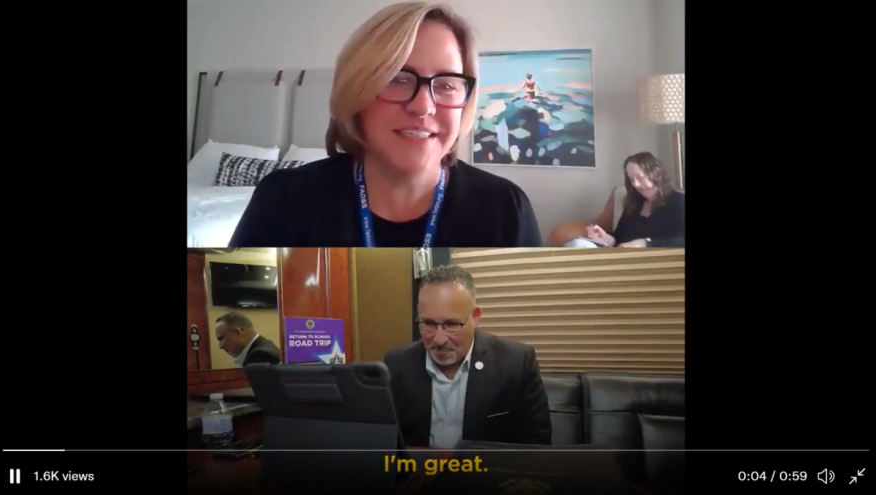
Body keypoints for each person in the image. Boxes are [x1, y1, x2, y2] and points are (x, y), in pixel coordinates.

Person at [229, 2, 541, 248]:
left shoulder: (506, 210)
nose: (423, 106)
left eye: (446, 85)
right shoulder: (284, 200)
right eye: (397, 78)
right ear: (357, 91)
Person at [383, 265, 551, 447]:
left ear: (476, 317)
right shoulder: (396, 363)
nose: (439, 340)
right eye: (429, 324)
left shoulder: (516, 363)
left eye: (452, 324)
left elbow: (537, 447)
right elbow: (385, 440)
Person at [586, 152, 684, 247]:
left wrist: (646, 244)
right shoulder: (634, 204)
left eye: (640, 177)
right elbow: (621, 237)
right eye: (631, 179)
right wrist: (608, 239)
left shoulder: (678, 201)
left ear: (655, 174)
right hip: (628, 260)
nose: (635, 184)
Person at [214, 312, 281, 367]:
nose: (221, 346)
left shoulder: (260, 356)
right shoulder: (266, 347)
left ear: (237, 333)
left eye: (221, 338)